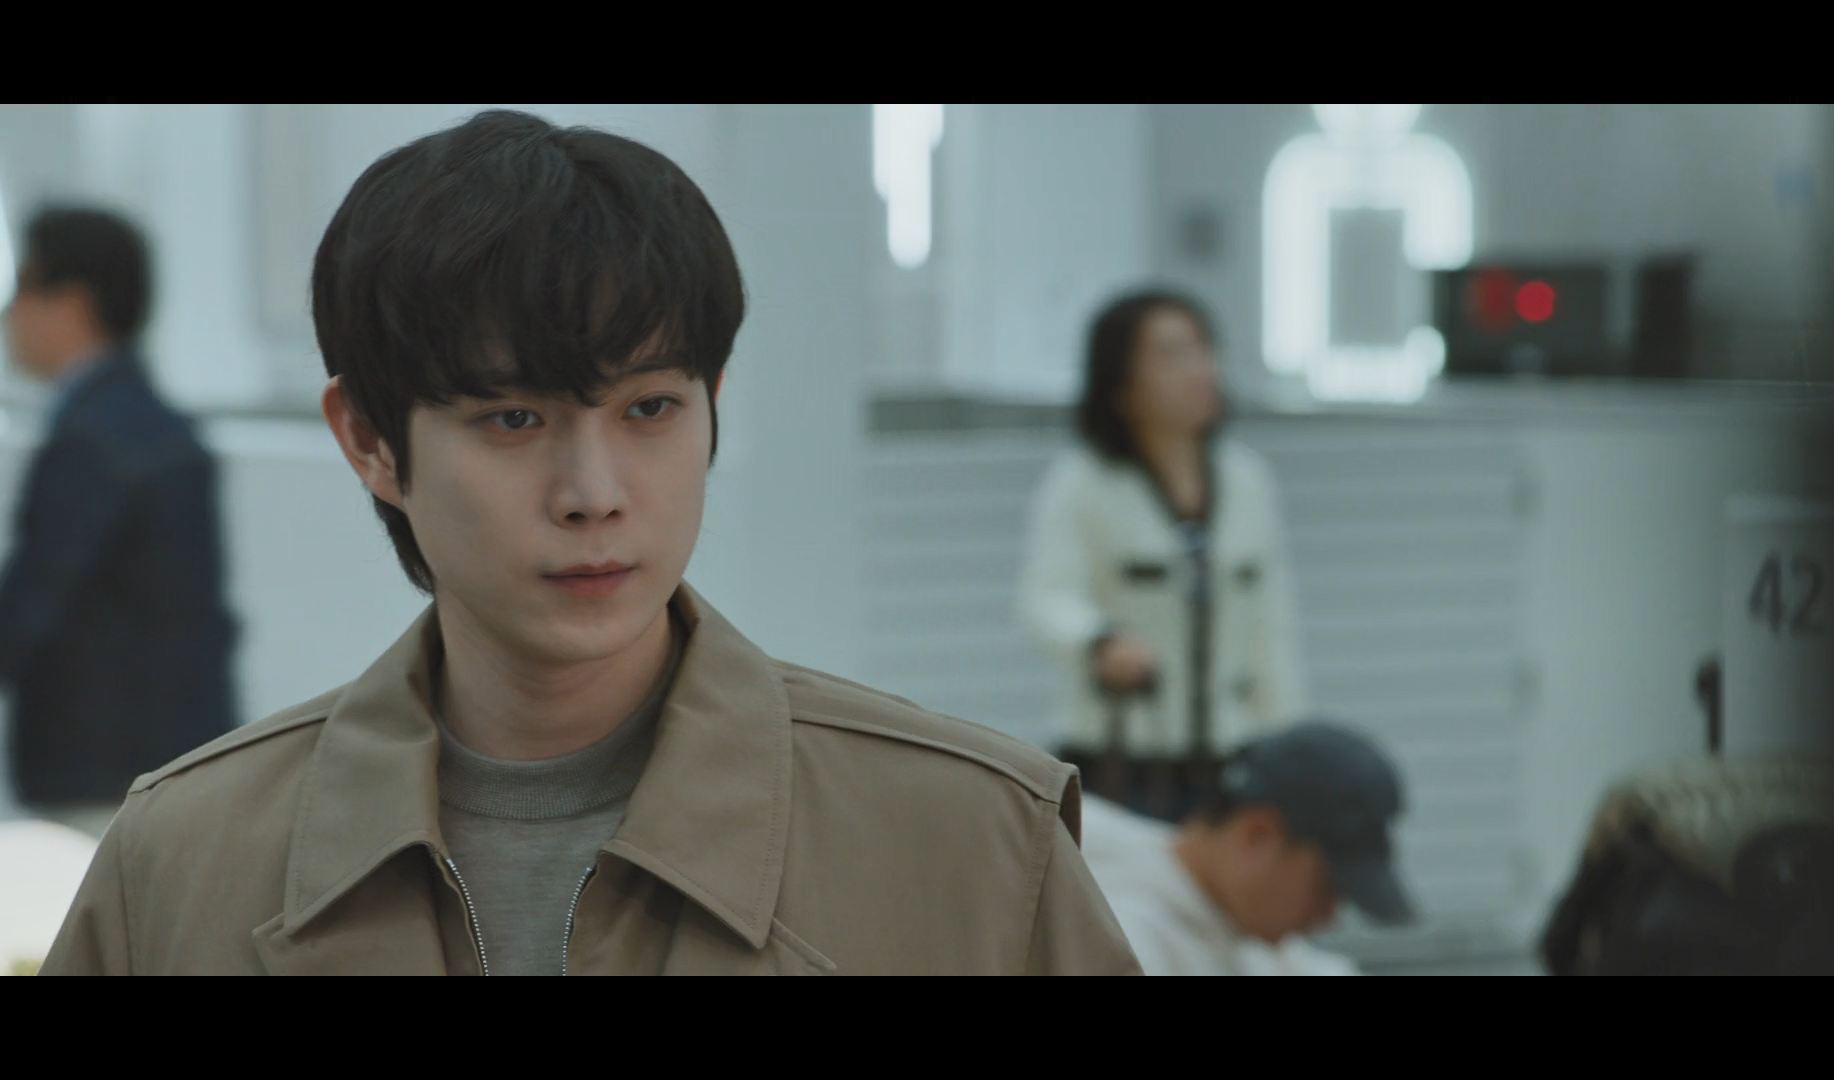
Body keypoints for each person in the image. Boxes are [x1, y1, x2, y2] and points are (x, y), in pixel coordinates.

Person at [42, 111, 1138, 976]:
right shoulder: (179, 866)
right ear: (370, 439)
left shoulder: (973, 844)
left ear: (713, 404)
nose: (594, 495)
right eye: (514, 419)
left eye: (650, 409)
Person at [1019, 290, 1309, 820]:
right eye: (1171, 355)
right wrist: (1100, 641)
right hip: (1119, 757)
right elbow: (1047, 598)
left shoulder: (1247, 481)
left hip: (1230, 755)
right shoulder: (1082, 483)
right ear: (1121, 383)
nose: (1199, 370)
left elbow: (1272, 626)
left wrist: (1288, 746)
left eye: (1203, 349)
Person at [0, 207, 236, 838]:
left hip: (99, 777)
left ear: (73, 302)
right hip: (174, 763)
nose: (10, 315)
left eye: (22, 289)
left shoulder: (91, 441)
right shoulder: (158, 425)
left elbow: (34, 603)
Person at [1080, 723, 1413, 975]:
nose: (1329, 917)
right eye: (1327, 888)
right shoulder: (1119, 936)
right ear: (1258, 834)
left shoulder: (1224, 916)